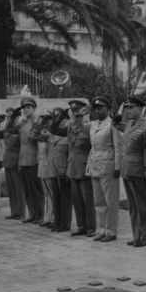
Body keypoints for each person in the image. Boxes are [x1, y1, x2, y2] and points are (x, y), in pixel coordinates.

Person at [116, 97, 146, 247]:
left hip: (139, 169)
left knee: (143, 204)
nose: (128, 110)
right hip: (127, 169)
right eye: (127, 108)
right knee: (133, 205)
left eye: (132, 107)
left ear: (140, 108)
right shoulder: (129, 125)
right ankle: (136, 235)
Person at [86, 96, 122, 242]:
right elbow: (92, 147)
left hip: (108, 167)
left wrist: (118, 166)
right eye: (95, 108)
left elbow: (119, 147)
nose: (98, 111)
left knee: (110, 202)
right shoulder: (93, 125)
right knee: (98, 202)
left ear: (108, 109)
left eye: (101, 108)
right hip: (94, 166)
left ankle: (111, 231)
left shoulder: (113, 124)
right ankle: (101, 229)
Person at [65, 101, 96, 237]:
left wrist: (80, 118)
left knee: (87, 199)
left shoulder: (89, 127)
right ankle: (81, 225)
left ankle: (90, 227)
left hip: (84, 168)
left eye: (77, 110)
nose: (74, 113)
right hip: (72, 167)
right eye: (72, 111)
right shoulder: (70, 128)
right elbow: (70, 148)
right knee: (76, 199)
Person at [0, 109, 26, 220]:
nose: (9, 119)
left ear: (16, 118)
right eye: (7, 117)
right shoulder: (8, 129)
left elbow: (23, 147)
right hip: (8, 161)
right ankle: (14, 211)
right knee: (11, 188)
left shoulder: (20, 128)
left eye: (11, 117)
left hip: (16, 161)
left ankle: (21, 212)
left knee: (18, 188)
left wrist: (21, 163)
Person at [16, 97, 45, 224]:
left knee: (36, 188)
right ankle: (32, 213)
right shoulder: (22, 123)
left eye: (28, 107)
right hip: (23, 159)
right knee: (27, 189)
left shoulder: (38, 122)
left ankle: (40, 214)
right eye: (24, 108)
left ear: (34, 108)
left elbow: (36, 139)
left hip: (33, 158)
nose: (25, 110)